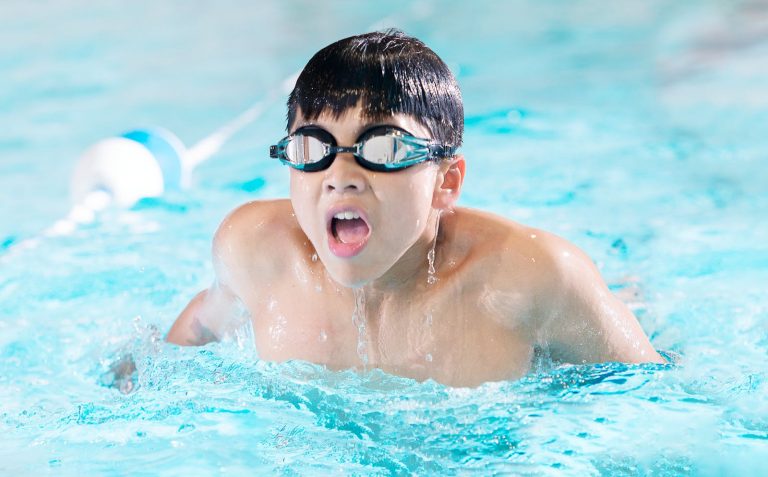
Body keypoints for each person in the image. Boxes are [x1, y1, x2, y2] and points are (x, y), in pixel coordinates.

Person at [167, 30, 665, 387]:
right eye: (313, 148)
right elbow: (199, 330)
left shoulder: (531, 278)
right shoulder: (257, 251)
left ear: (446, 182)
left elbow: (649, 394)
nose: (340, 177)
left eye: (382, 148)